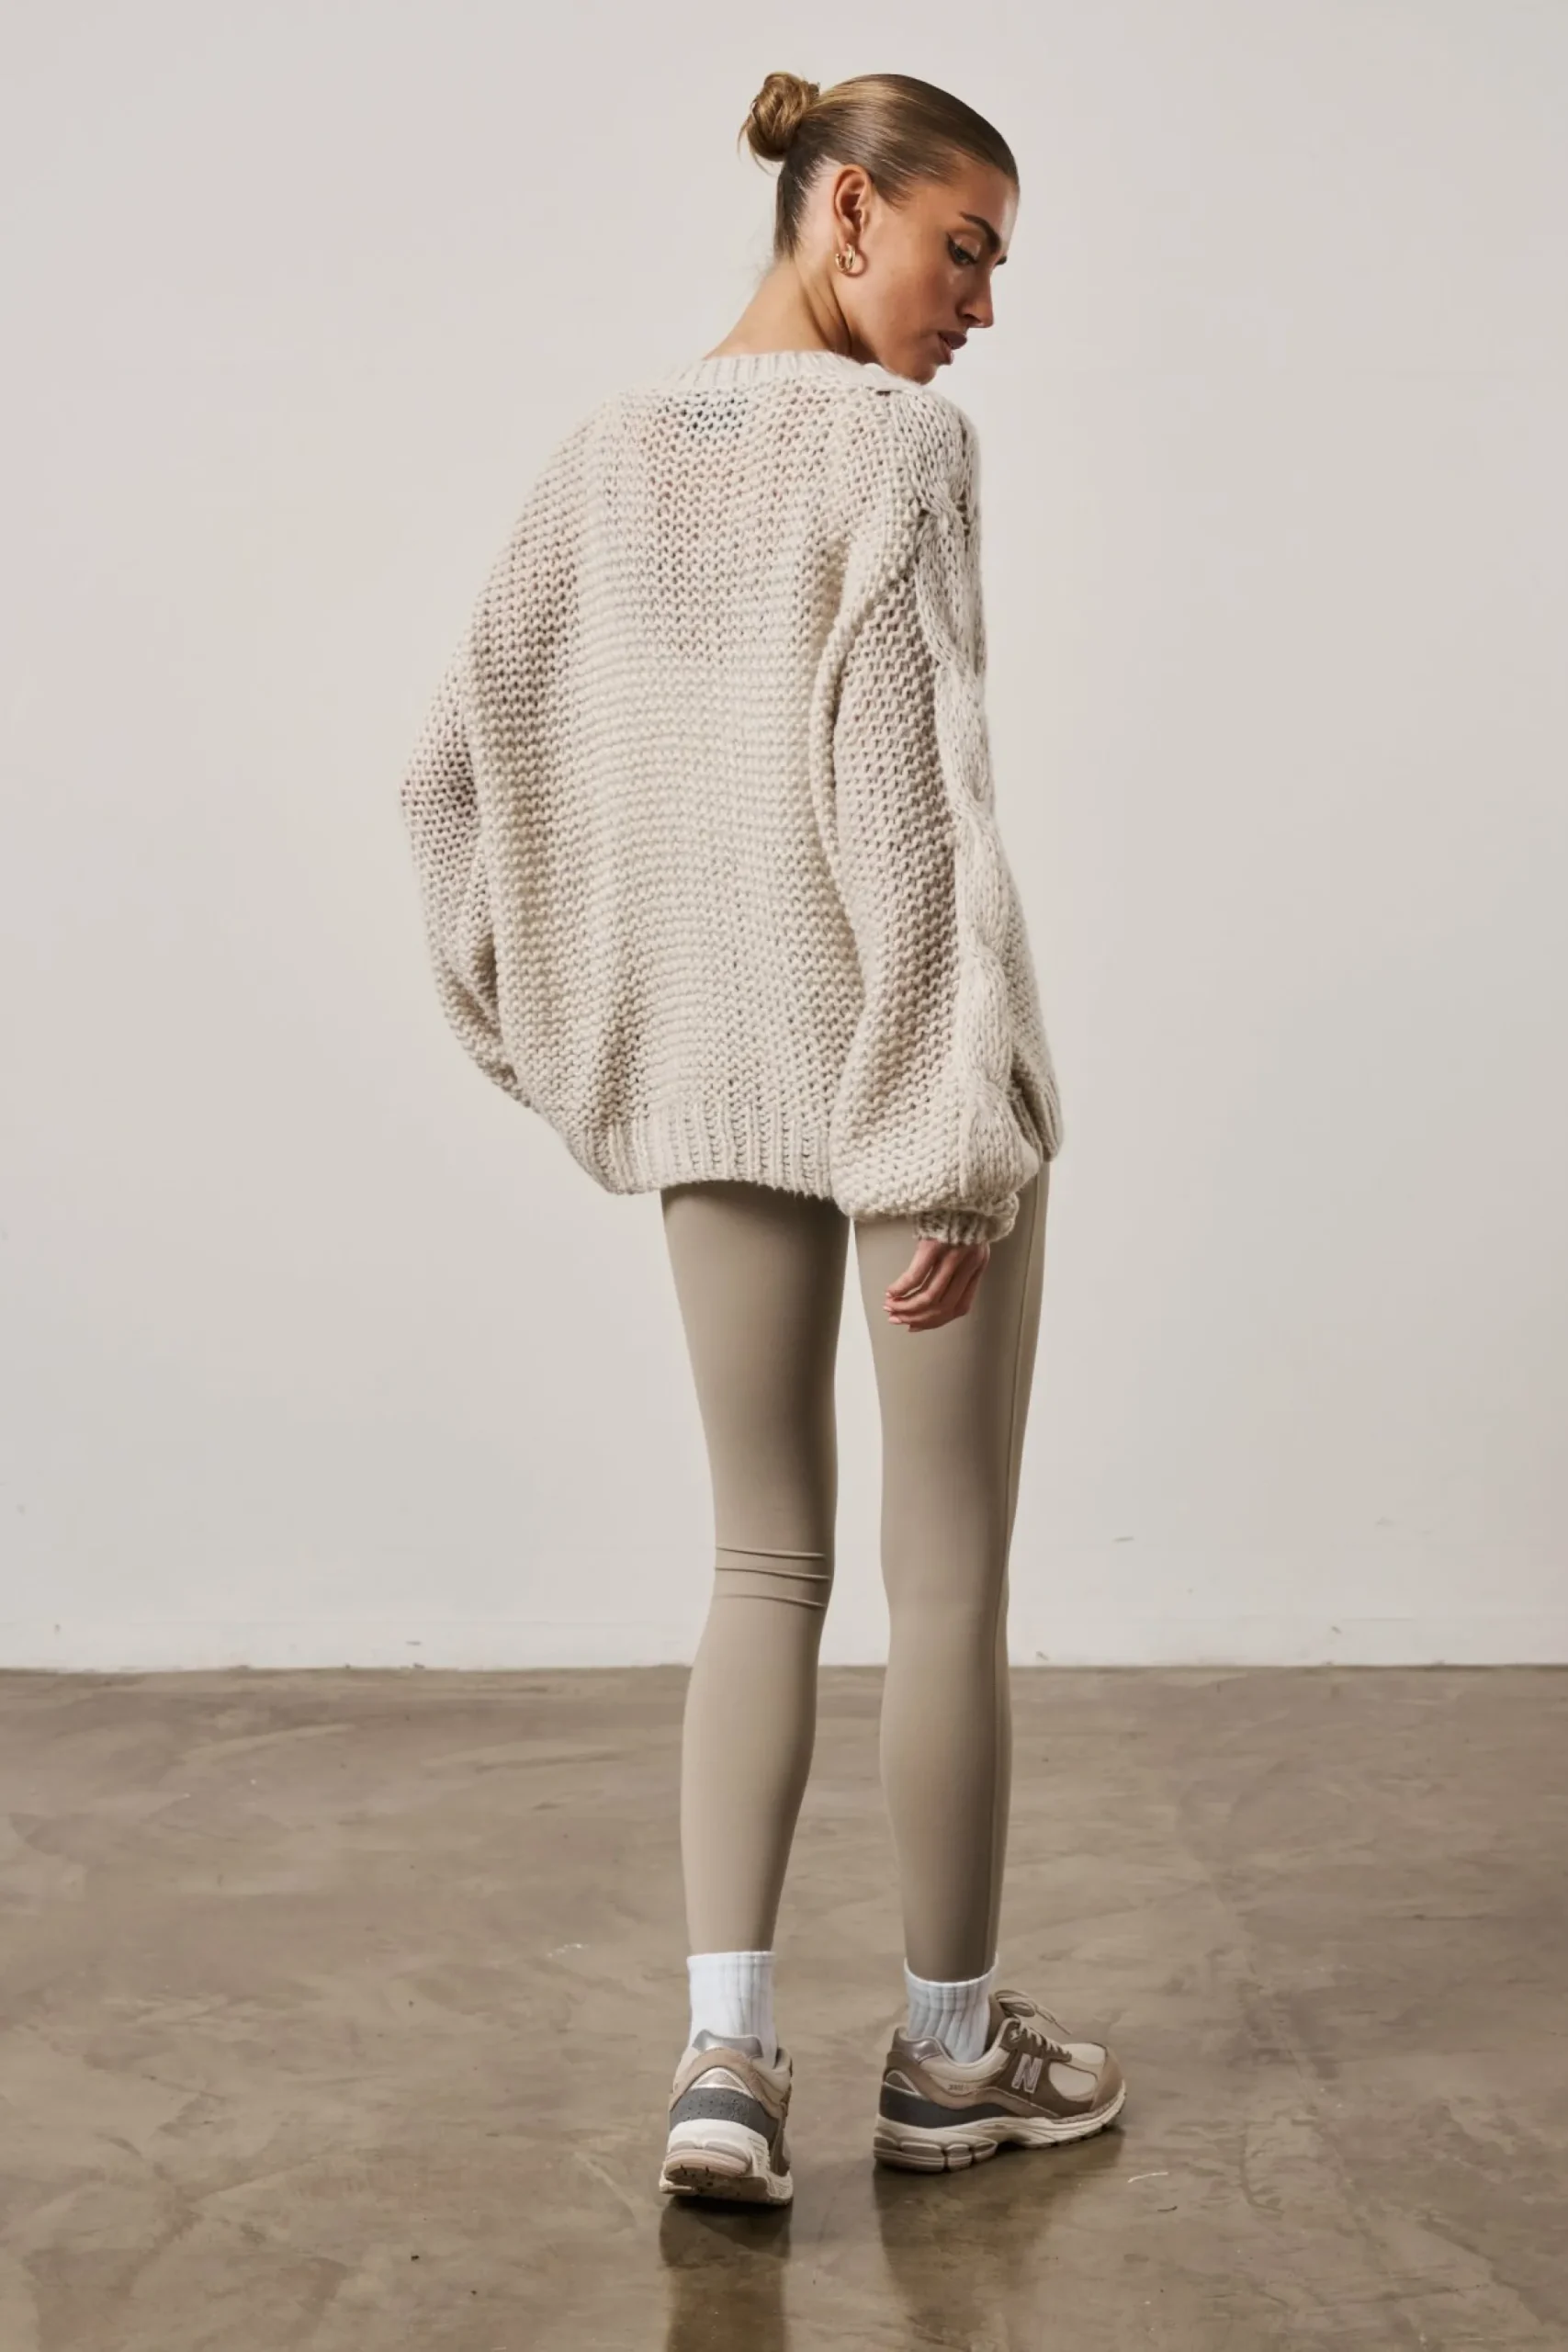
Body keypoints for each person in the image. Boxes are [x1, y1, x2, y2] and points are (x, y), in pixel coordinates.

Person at [399, 67, 1127, 2204]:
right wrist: (952, 1133)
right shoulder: (898, 448)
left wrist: (566, 1034)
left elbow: (445, 776)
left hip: (709, 1082)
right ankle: (947, 2057)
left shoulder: (600, 458)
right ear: (847, 210)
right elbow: (914, 809)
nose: (979, 304)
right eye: (962, 247)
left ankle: (723, 2062)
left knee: (757, 1557)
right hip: (904, 1088)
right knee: (944, 1568)